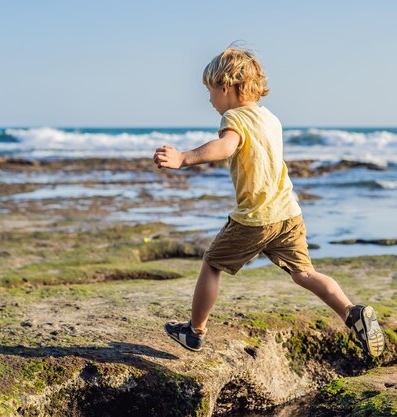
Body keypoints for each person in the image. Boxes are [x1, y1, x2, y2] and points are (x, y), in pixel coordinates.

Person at [153, 45, 385, 357]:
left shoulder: (235, 117)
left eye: (210, 91)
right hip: (289, 213)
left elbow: (225, 147)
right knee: (304, 273)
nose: (209, 100)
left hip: (255, 218)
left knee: (212, 265)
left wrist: (184, 158)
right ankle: (351, 312)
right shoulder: (270, 118)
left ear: (226, 87)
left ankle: (194, 332)